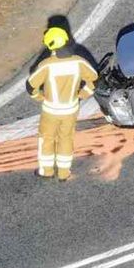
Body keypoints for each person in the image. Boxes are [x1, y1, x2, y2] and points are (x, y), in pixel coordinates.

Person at [26, 27, 98, 180]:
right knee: (66, 139)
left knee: (46, 139)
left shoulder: (46, 65)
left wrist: (39, 97)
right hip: (70, 110)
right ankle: (64, 173)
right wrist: (82, 94)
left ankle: (46, 171)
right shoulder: (79, 62)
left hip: (50, 110)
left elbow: (30, 86)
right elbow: (94, 79)